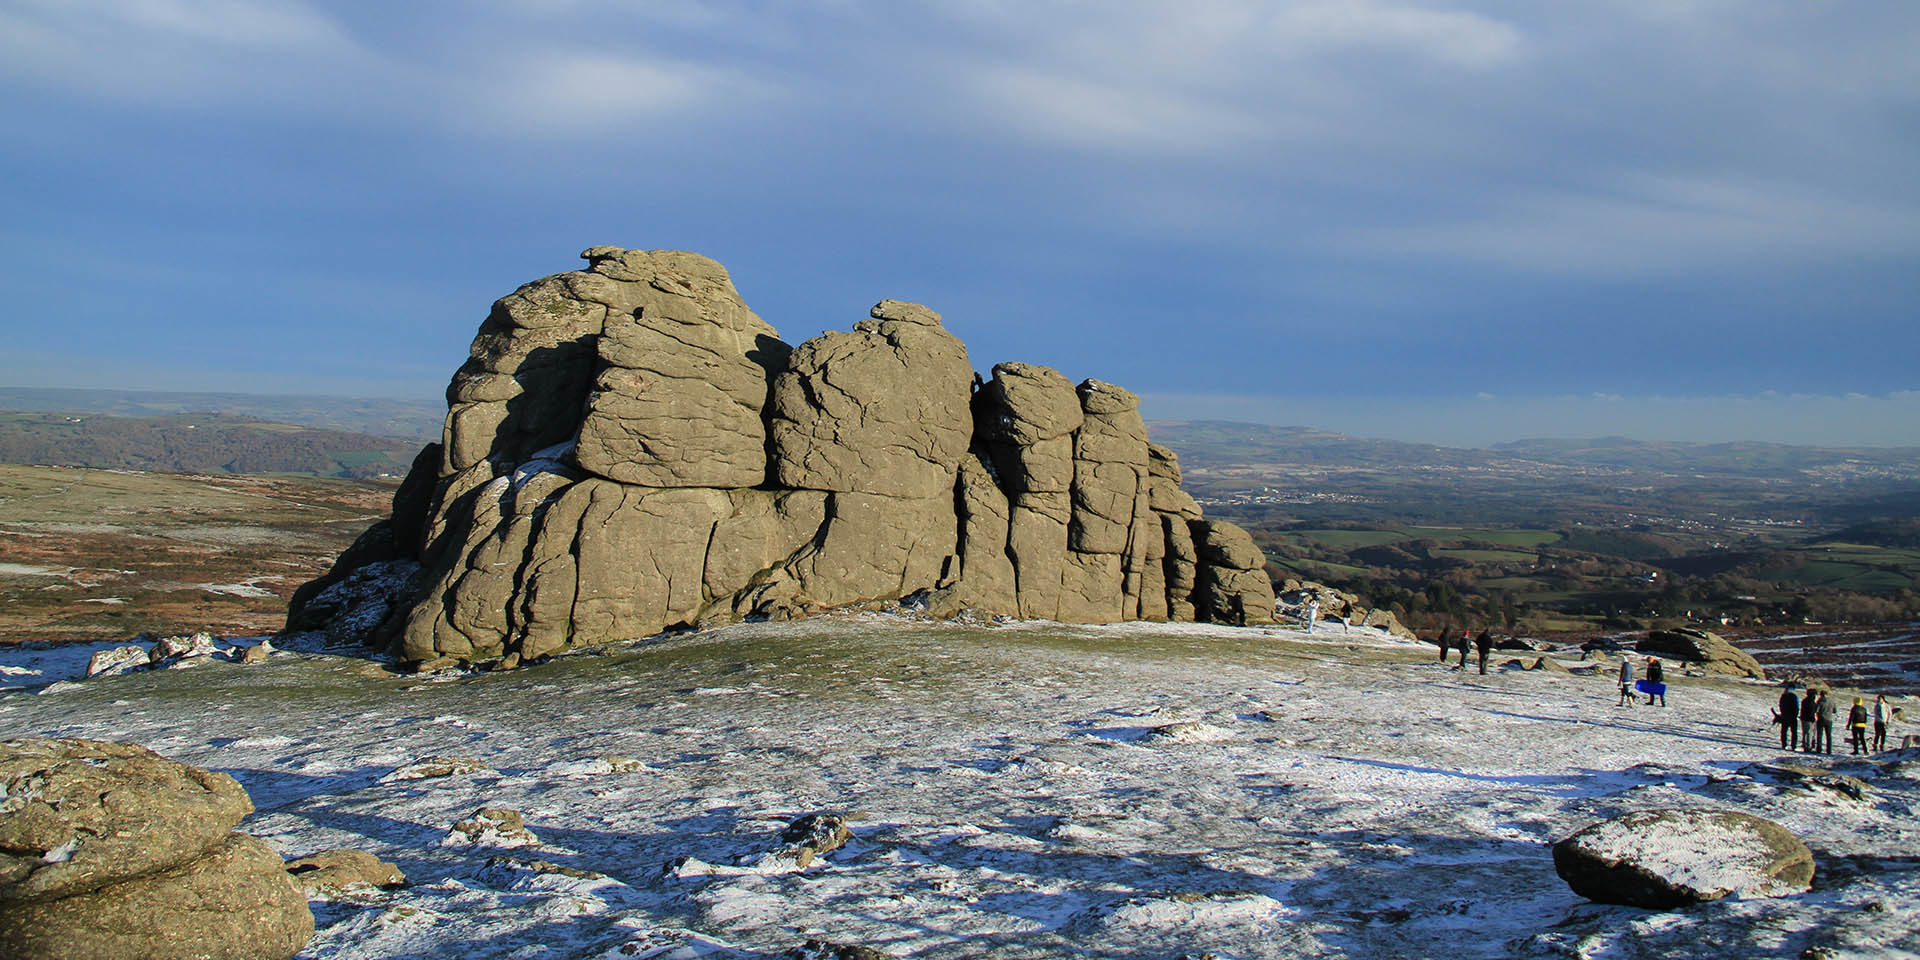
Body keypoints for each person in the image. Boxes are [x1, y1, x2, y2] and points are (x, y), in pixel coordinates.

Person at [1775, 684, 1800, 751]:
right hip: (1793, 716)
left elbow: (1780, 705)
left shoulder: (1783, 696)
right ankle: (1793, 745)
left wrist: (1782, 713)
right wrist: (1796, 714)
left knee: (1784, 731)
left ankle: (1784, 744)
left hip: (1785, 716)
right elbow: (1798, 706)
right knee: (1794, 732)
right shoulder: (1795, 696)